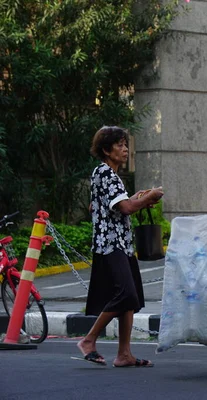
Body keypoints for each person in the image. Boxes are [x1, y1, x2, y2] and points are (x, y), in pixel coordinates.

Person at [75, 126, 164, 367]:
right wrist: (149, 197)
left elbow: (104, 207)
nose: (125, 149)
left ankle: (124, 354)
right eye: (119, 145)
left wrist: (137, 199)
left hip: (121, 244)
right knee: (125, 293)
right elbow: (124, 208)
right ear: (106, 149)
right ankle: (89, 340)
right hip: (112, 244)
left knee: (131, 299)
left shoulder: (104, 174)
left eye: (126, 144)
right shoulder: (106, 174)